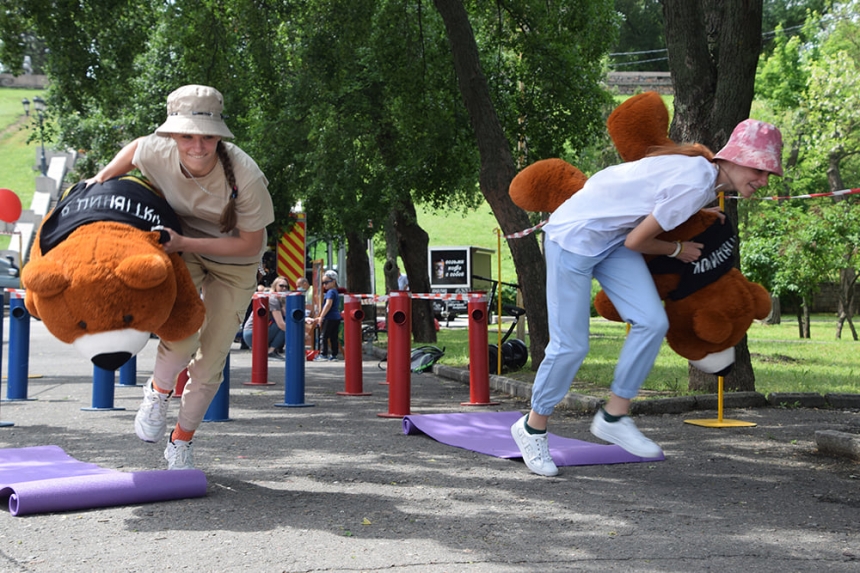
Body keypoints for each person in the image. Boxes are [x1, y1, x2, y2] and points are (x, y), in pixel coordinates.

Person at [510, 119, 784, 477]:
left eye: (768, 174)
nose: (763, 181)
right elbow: (637, 242)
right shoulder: (696, 181)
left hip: (610, 239)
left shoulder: (703, 175)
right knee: (571, 346)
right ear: (732, 159)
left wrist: (699, 214)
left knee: (653, 321)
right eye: (759, 169)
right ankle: (532, 427)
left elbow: (651, 199)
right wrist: (678, 248)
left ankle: (614, 415)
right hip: (574, 239)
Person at [86, 85, 275, 470]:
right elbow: (135, 150)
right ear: (173, 134)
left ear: (219, 136)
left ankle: (181, 441)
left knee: (210, 362)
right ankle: (157, 394)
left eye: (207, 136)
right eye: (187, 135)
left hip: (232, 259)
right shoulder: (158, 149)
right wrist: (101, 177)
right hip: (182, 248)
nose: (198, 145)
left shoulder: (246, 176)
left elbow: (249, 245)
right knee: (182, 332)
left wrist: (186, 240)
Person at [241, 276, 289, 358]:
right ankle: (271, 351)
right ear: (275, 286)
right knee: (286, 326)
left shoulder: (275, 298)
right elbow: (281, 323)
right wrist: (298, 333)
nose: (284, 288)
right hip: (253, 333)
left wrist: (283, 302)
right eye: (281, 286)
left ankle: (267, 351)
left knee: (286, 324)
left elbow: (286, 314)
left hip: (253, 333)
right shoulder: (273, 299)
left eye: (286, 287)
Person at [315, 270, 342, 361]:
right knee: (334, 336)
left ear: (333, 281)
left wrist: (321, 316)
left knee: (324, 336)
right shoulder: (335, 292)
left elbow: (328, 304)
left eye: (326, 282)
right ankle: (334, 354)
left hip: (329, 317)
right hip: (336, 317)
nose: (324, 285)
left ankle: (323, 354)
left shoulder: (330, 292)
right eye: (323, 283)